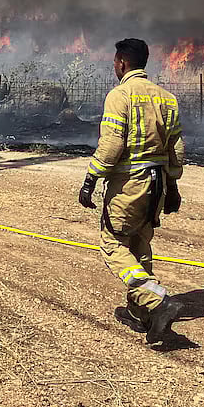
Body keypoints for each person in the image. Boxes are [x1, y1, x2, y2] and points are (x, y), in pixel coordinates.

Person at [77, 38, 186, 343]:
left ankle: (157, 301)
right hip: (158, 185)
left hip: (129, 186)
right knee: (140, 243)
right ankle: (142, 313)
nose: (114, 66)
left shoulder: (120, 95)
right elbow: (176, 146)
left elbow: (112, 144)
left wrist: (91, 178)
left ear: (122, 62)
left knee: (113, 244)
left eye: (114, 61)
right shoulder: (167, 98)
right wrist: (173, 185)